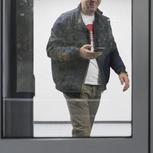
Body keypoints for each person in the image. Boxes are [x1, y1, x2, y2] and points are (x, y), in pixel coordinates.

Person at [46, 0, 129, 137]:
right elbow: (52, 49)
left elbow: (112, 50)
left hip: (97, 85)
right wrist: (78, 52)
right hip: (74, 86)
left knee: (86, 130)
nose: (93, 0)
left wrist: (121, 71)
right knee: (82, 131)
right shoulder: (65, 20)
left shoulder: (103, 22)